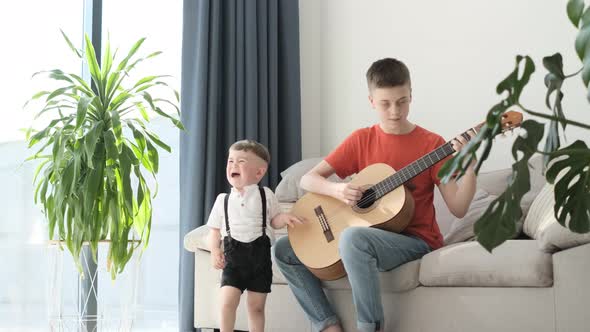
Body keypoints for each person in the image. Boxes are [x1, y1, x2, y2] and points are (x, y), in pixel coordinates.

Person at [273, 58, 477, 332]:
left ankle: (370, 327)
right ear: (371, 101)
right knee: (284, 249)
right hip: (364, 233)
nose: (395, 111)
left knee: (354, 238)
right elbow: (309, 179)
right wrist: (338, 189)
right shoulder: (362, 139)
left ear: (411, 96)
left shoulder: (432, 145)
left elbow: (459, 208)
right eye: (385, 103)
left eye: (402, 101)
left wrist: (473, 164)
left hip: (416, 241)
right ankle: (326, 324)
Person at [206, 139, 304, 332]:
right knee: (226, 303)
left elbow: (273, 221)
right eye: (230, 161)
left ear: (259, 172)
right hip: (233, 262)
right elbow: (214, 230)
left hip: (260, 262)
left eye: (241, 162)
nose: (233, 165)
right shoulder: (222, 200)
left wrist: (283, 217)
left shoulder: (265, 194)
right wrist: (214, 250)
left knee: (256, 308)